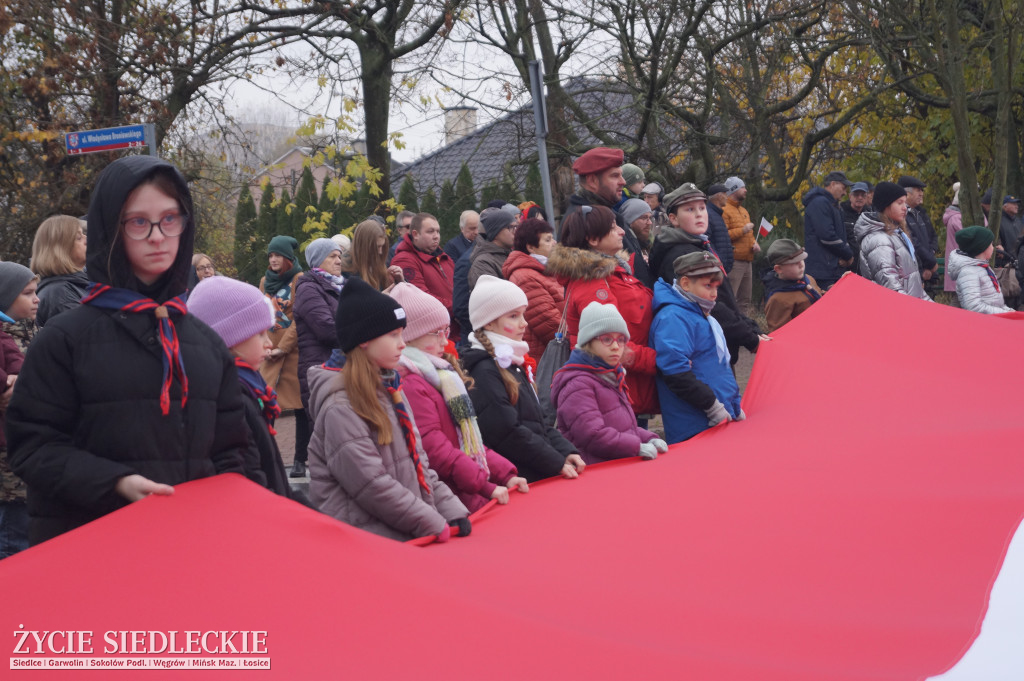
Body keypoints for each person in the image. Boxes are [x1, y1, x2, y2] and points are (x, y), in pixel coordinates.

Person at [6, 155, 249, 546]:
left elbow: (233, 451)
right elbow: (33, 447)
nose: (157, 235)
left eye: (170, 218)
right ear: (110, 230)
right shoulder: (64, 340)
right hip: (91, 548)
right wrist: (115, 483)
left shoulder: (206, 343)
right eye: (139, 222)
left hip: (191, 546)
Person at [306, 277, 470, 542]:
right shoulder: (340, 407)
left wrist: (451, 510)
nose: (403, 343)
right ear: (364, 341)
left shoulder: (391, 390)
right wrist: (429, 520)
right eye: (393, 335)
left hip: (398, 532)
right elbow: (371, 484)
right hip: (363, 541)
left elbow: (420, 464)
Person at [389, 283, 528, 512]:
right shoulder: (413, 384)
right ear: (410, 336)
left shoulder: (441, 377)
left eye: (446, 330)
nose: (446, 341)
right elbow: (436, 449)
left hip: (465, 490)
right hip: (450, 500)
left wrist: (506, 473)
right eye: (437, 333)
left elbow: (467, 441)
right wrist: (484, 484)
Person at [462, 275, 585, 482]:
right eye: (513, 316)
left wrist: (565, 450)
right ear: (489, 323)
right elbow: (507, 433)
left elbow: (537, 423)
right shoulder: (484, 370)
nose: (524, 323)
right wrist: (555, 462)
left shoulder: (513, 363)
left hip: (534, 469)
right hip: (519, 476)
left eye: (523, 314)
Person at [546, 205, 659, 418]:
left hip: (628, 385)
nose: (622, 231)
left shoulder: (613, 271)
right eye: (613, 227)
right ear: (593, 239)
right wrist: (661, 360)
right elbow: (607, 345)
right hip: (618, 390)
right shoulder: (592, 282)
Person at [187, 276, 295, 496]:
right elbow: (252, 476)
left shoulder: (248, 387)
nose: (270, 343)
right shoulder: (233, 395)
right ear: (230, 338)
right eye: (260, 333)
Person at [648, 183, 764, 366]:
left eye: (702, 208)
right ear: (674, 219)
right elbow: (710, 306)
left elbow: (725, 298)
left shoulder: (699, 244)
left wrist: (751, 327)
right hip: (705, 352)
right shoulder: (681, 254)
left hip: (718, 346)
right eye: (690, 209)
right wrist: (749, 338)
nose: (699, 214)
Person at [550, 302, 667, 465]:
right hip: (595, 471)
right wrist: (635, 447)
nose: (615, 347)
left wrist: (649, 438)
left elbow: (624, 427)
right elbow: (592, 435)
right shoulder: (578, 384)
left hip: (615, 466)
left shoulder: (610, 375)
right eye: (606, 339)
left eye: (620, 340)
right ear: (588, 342)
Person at [651, 252, 744, 444]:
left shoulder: (699, 313)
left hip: (716, 416)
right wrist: (712, 406)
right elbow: (676, 373)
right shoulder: (673, 317)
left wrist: (734, 403)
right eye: (708, 286)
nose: (714, 293)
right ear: (685, 284)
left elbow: (718, 368)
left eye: (716, 287)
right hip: (694, 424)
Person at [292, 238, 345, 477]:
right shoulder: (308, 288)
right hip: (320, 368)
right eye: (332, 256)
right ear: (317, 261)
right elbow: (326, 329)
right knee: (324, 430)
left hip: (336, 368)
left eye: (339, 256)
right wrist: (359, 333)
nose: (338, 260)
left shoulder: (338, 286)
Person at [259, 235, 309, 477]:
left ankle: (300, 460)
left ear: (288, 258)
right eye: (270, 255)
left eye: (278, 255)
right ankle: (267, 459)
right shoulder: (263, 281)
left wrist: (284, 347)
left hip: (291, 354)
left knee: (299, 407)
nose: (273, 259)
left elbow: (300, 318)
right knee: (265, 406)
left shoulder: (300, 280)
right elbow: (260, 316)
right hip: (269, 353)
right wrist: (264, 345)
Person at [0, 262, 39, 558]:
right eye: (27, 293)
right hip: (7, 456)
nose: (37, 299)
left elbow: (20, 366)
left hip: (21, 449)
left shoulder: (17, 331)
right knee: (13, 540)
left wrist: (21, 381)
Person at [855, 181, 932, 301]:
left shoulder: (896, 234)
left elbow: (913, 285)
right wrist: (917, 309)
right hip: (898, 310)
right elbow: (890, 286)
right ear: (886, 206)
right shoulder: (879, 241)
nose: (905, 208)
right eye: (899, 203)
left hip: (910, 306)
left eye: (905, 203)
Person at [501, 217, 564, 359]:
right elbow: (548, 323)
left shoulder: (544, 270)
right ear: (531, 247)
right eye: (547, 240)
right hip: (547, 357)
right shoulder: (524, 277)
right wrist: (581, 344)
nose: (554, 243)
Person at [390, 213, 457, 338]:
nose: (436, 236)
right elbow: (421, 299)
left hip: (454, 330)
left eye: (438, 231)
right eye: (430, 232)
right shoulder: (404, 260)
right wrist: (458, 308)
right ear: (415, 234)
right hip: (432, 334)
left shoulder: (444, 257)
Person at [30, 215, 89, 327]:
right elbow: (88, 339)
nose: (87, 239)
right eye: (78, 238)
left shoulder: (76, 285)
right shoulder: (62, 294)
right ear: (60, 248)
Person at [803, 171, 855, 289]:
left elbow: (841, 236)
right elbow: (827, 236)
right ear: (832, 184)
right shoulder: (820, 203)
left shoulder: (834, 206)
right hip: (822, 271)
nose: (844, 192)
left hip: (831, 269)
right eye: (843, 188)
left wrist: (846, 257)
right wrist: (848, 254)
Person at [761, 239, 823, 333]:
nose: (801, 265)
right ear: (778, 269)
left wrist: (839, 287)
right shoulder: (778, 299)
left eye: (802, 259)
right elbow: (780, 334)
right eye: (794, 263)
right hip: (805, 342)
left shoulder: (808, 279)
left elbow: (822, 297)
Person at [947, 226, 1012, 314]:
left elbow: (996, 303)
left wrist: (1009, 311)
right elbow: (973, 306)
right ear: (982, 248)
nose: (993, 248)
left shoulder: (983, 268)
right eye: (991, 244)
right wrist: (1003, 313)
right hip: (981, 322)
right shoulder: (968, 273)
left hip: (992, 318)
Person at [721, 176, 760, 314]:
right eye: (742, 187)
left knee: (745, 301)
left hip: (747, 261)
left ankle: (746, 330)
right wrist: (742, 230)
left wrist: (754, 243)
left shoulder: (744, 211)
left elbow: (749, 234)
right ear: (734, 190)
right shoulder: (724, 210)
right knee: (731, 299)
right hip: (734, 262)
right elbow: (723, 235)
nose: (746, 190)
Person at [563, 147, 626, 219]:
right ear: (592, 181)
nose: (623, 182)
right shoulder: (586, 222)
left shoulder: (599, 215)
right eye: (615, 176)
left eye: (621, 175)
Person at [899, 175, 939, 286]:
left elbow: (932, 237)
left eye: (922, 190)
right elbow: (912, 242)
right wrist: (928, 264)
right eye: (918, 190)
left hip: (927, 270)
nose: (921, 193)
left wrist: (930, 255)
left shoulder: (919, 213)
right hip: (915, 271)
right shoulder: (902, 215)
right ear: (907, 193)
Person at [344, 219, 404, 291]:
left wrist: (399, 281)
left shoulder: (379, 263)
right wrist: (380, 298)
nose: (380, 252)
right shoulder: (345, 271)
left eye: (382, 246)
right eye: (377, 247)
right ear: (364, 246)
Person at [467, 208, 515, 290]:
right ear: (495, 232)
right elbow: (494, 298)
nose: (515, 231)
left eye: (516, 226)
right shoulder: (482, 264)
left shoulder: (513, 254)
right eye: (510, 227)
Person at [616, 197, 655, 286]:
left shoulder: (649, 244)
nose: (649, 223)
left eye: (650, 218)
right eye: (644, 218)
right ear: (630, 221)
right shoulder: (622, 247)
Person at [840, 181, 872, 274]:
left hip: (866, 266)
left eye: (863, 195)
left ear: (867, 198)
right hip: (847, 266)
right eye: (856, 195)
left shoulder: (870, 215)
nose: (860, 198)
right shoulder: (840, 213)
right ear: (850, 196)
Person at [704, 183, 734, 274]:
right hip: (717, 267)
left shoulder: (717, 214)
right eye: (725, 194)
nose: (726, 197)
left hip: (722, 267)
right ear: (719, 196)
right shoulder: (709, 214)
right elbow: (706, 241)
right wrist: (718, 260)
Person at [943, 182, 964, 296]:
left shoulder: (955, 217)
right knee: (958, 300)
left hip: (958, 265)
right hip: (959, 266)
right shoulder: (956, 218)